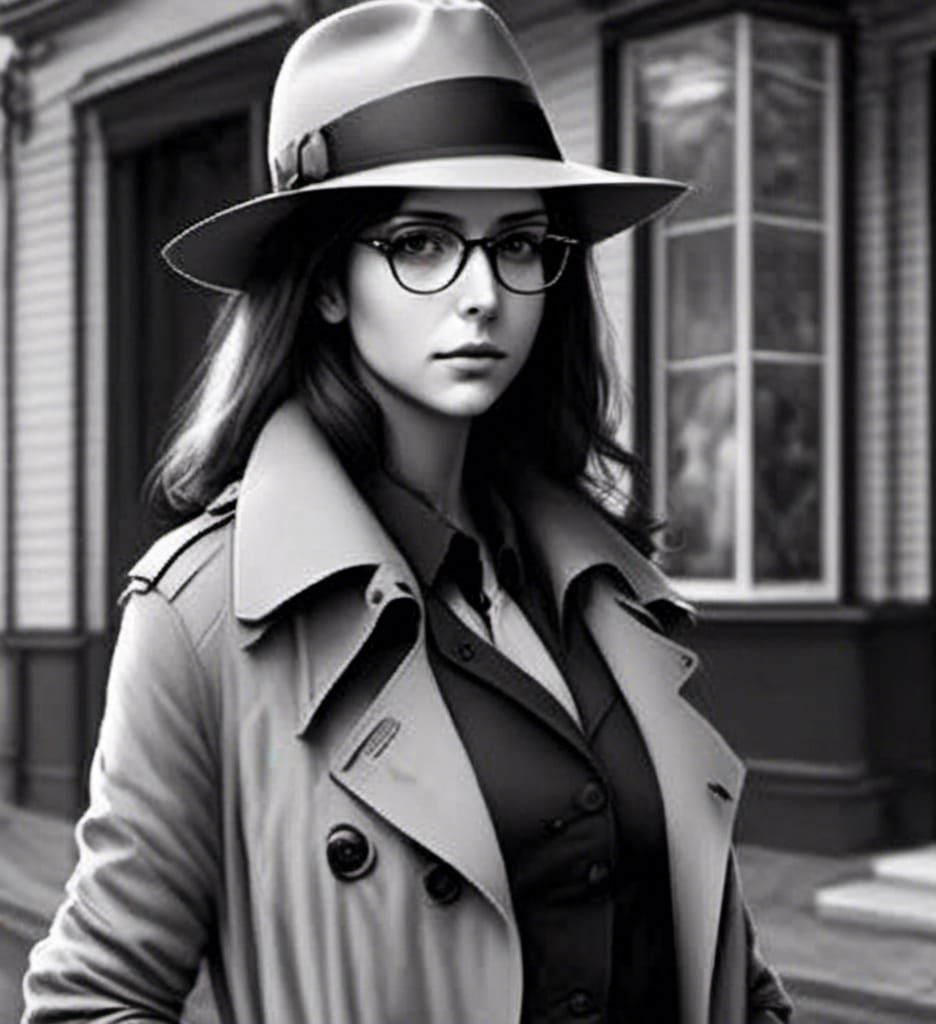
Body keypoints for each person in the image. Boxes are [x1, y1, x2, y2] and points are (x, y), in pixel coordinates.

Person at [22, 2, 793, 1022]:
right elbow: (96, 997)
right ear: (329, 283)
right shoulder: (206, 613)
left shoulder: (606, 586)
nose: (483, 294)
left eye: (518, 243)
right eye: (422, 243)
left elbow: (725, 967)